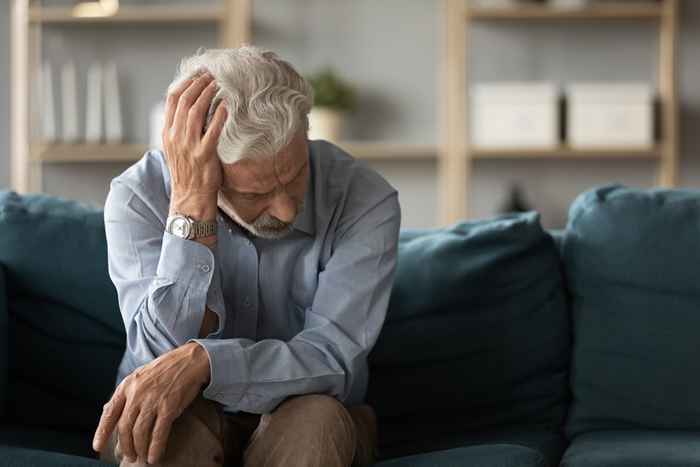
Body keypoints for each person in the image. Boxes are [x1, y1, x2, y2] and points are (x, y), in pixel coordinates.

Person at [91, 45, 401, 467]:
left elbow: (334, 359)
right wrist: (189, 207)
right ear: (202, 166)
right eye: (256, 194)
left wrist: (208, 361)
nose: (287, 210)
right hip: (177, 412)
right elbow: (155, 360)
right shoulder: (137, 197)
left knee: (317, 421)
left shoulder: (364, 198)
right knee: (166, 435)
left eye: (295, 176)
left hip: (310, 408)